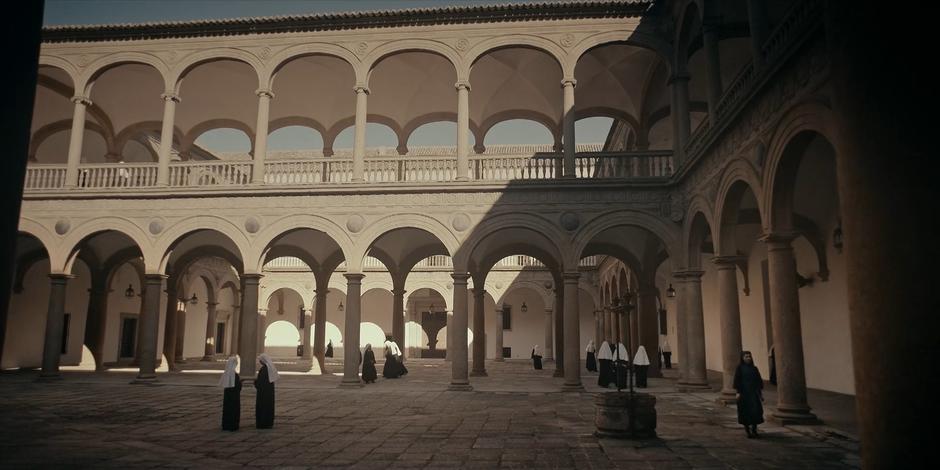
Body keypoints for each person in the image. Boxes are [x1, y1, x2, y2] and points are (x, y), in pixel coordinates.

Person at [733, 350, 765, 438]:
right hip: (744, 394)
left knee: (756, 412)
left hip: (753, 394)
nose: (748, 358)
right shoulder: (739, 368)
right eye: (746, 357)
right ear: (742, 358)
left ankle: (754, 429)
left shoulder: (754, 369)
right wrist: (738, 392)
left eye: (749, 356)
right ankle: (747, 431)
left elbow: (758, 381)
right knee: (745, 412)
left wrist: (760, 394)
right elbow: (737, 380)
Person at [254, 353, 278, 429]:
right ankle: (268, 422)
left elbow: (260, 383)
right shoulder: (269, 369)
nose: (259, 362)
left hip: (263, 394)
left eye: (260, 360)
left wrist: (255, 382)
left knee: (263, 407)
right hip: (269, 394)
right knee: (268, 407)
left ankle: (262, 423)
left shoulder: (263, 370)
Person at [218, 355, 241, 431]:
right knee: (233, 411)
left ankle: (227, 424)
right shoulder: (235, 375)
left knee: (228, 410)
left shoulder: (227, 374)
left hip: (228, 397)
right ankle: (233, 424)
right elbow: (238, 386)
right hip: (235, 398)